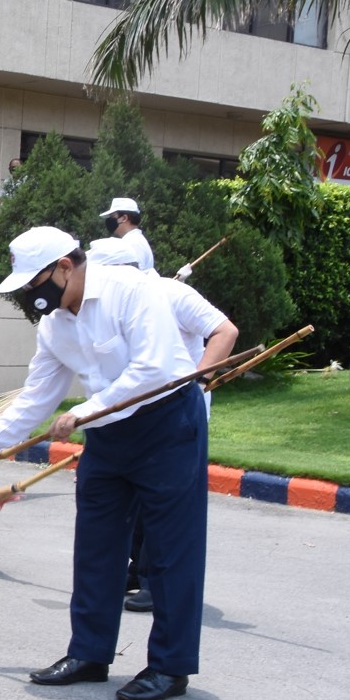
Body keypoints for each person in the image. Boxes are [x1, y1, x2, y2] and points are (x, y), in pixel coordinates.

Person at [0, 226, 210, 700]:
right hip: (108, 436)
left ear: (64, 267)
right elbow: (36, 396)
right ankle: (90, 654)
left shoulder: (131, 292)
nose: (34, 296)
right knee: (96, 544)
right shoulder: (55, 325)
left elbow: (154, 370)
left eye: (36, 284)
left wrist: (84, 411)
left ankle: (170, 666)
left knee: (169, 551)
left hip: (167, 424)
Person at [87, 238, 238, 612]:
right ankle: (139, 570)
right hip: (133, 411)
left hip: (176, 410)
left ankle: (158, 582)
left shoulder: (172, 292)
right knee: (135, 500)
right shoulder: (112, 302)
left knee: (164, 503)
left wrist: (198, 381)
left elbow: (225, 332)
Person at [101, 197, 155, 272]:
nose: (110, 220)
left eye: (113, 216)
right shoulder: (134, 239)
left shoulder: (133, 242)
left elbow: (135, 274)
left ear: (124, 218)